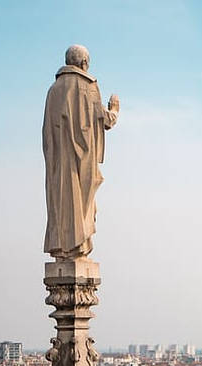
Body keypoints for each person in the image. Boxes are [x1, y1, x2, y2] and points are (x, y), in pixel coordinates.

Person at [43, 45, 119, 260]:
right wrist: (114, 109)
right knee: (82, 205)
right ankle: (78, 247)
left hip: (57, 161)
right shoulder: (88, 86)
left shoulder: (53, 90)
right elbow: (104, 120)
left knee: (62, 199)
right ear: (84, 64)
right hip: (81, 163)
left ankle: (62, 248)